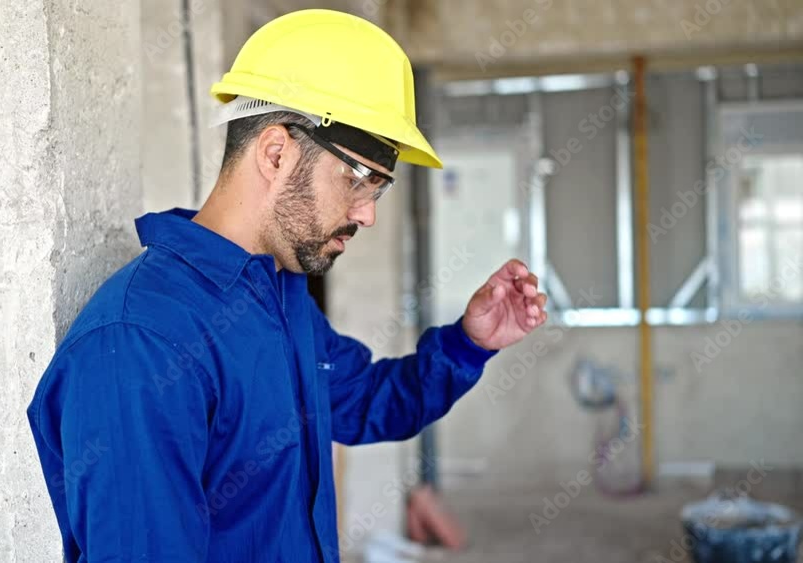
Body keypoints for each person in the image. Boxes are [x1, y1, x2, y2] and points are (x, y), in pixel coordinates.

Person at [27, 9, 548, 563]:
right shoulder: (142, 343)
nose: (367, 214)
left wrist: (470, 342)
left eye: (381, 187)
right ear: (276, 153)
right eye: (358, 179)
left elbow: (367, 402)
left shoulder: (276, 295)